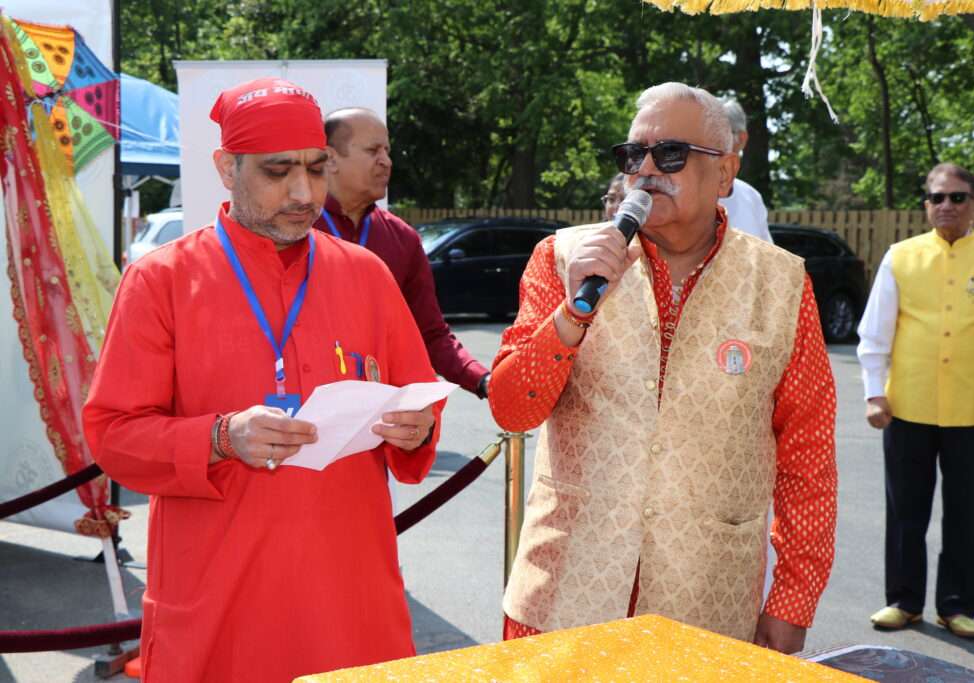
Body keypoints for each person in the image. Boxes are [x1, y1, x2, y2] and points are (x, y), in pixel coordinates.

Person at [83, 78, 443, 682]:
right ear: (227, 168)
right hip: (218, 600)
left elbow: (421, 404)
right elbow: (114, 436)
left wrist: (415, 428)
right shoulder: (162, 281)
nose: (303, 193)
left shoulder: (368, 276)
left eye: (316, 169)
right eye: (278, 172)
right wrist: (220, 438)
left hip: (350, 600)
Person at [490, 82, 837, 654]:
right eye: (633, 156)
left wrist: (793, 597)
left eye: (670, 155)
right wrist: (571, 315)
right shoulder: (561, 259)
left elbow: (809, 456)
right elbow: (512, 407)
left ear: (725, 174)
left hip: (707, 603)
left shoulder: (782, 284)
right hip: (564, 595)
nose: (647, 170)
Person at [858, 163, 974, 640]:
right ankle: (903, 601)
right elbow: (874, 333)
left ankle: (956, 606)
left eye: (957, 197)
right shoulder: (901, 256)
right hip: (907, 404)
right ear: (926, 205)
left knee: (967, 512)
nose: (946, 206)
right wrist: (874, 393)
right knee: (906, 510)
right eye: (937, 198)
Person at [315, 107, 491, 398]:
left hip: (385, 413)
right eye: (373, 150)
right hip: (310, 410)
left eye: (387, 150)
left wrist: (483, 380)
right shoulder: (295, 230)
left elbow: (431, 333)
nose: (386, 162)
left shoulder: (402, 238)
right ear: (330, 158)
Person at [718, 98, 773, 243]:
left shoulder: (752, 198)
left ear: (741, 139)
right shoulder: (680, 197)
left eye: (717, 133)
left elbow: (765, 260)